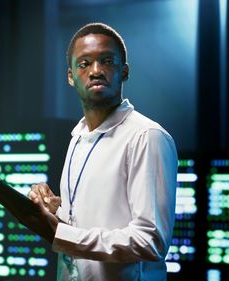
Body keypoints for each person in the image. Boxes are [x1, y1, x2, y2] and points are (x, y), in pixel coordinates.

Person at [23, 22, 178, 281]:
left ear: (124, 71)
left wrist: (61, 234)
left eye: (106, 61)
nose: (96, 71)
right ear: (71, 76)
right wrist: (55, 211)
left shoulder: (146, 137)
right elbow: (94, 219)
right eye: (84, 64)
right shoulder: (78, 136)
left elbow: (151, 241)